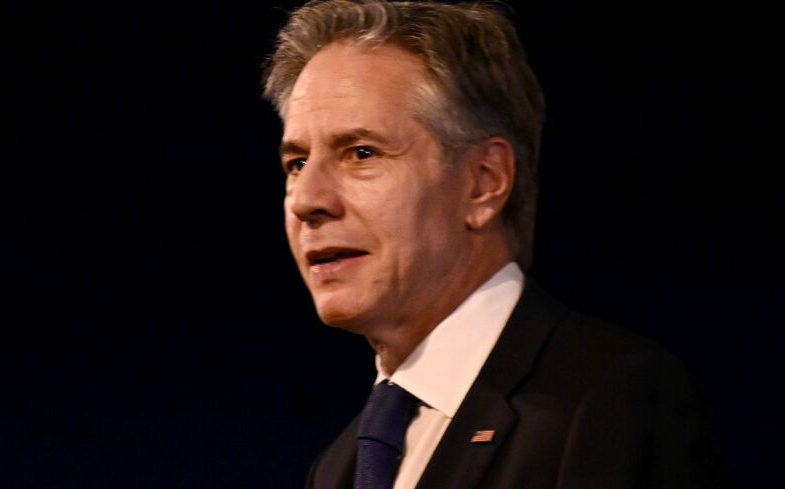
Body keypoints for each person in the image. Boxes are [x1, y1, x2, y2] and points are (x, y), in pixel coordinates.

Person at [262, 1, 724, 488]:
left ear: (484, 182)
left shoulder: (611, 403)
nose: (307, 200)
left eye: (361, 153)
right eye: (296, 163)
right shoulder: (338, 469)